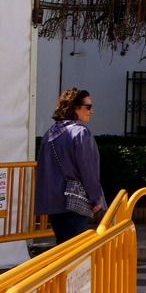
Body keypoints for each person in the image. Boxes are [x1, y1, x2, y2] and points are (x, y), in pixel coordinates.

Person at [35, 87, 106, 244]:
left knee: (63, 246)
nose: (91, 111)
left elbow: (43, 169)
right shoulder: (81, 133)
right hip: (74, 200)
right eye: (88, 107)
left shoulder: (51, 133)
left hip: (53, 201)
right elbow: (88, 169)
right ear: (75, 108)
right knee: (74, 248)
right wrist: (96, 198)